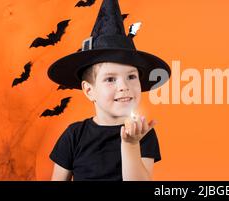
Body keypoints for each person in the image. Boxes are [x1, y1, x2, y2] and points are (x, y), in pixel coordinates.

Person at [47, 0, 170, 181]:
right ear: (89, 91)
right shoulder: (74, 135)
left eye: (131, 77)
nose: (124, 86)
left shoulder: (142, 132)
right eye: (110, 79)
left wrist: (131, 144)